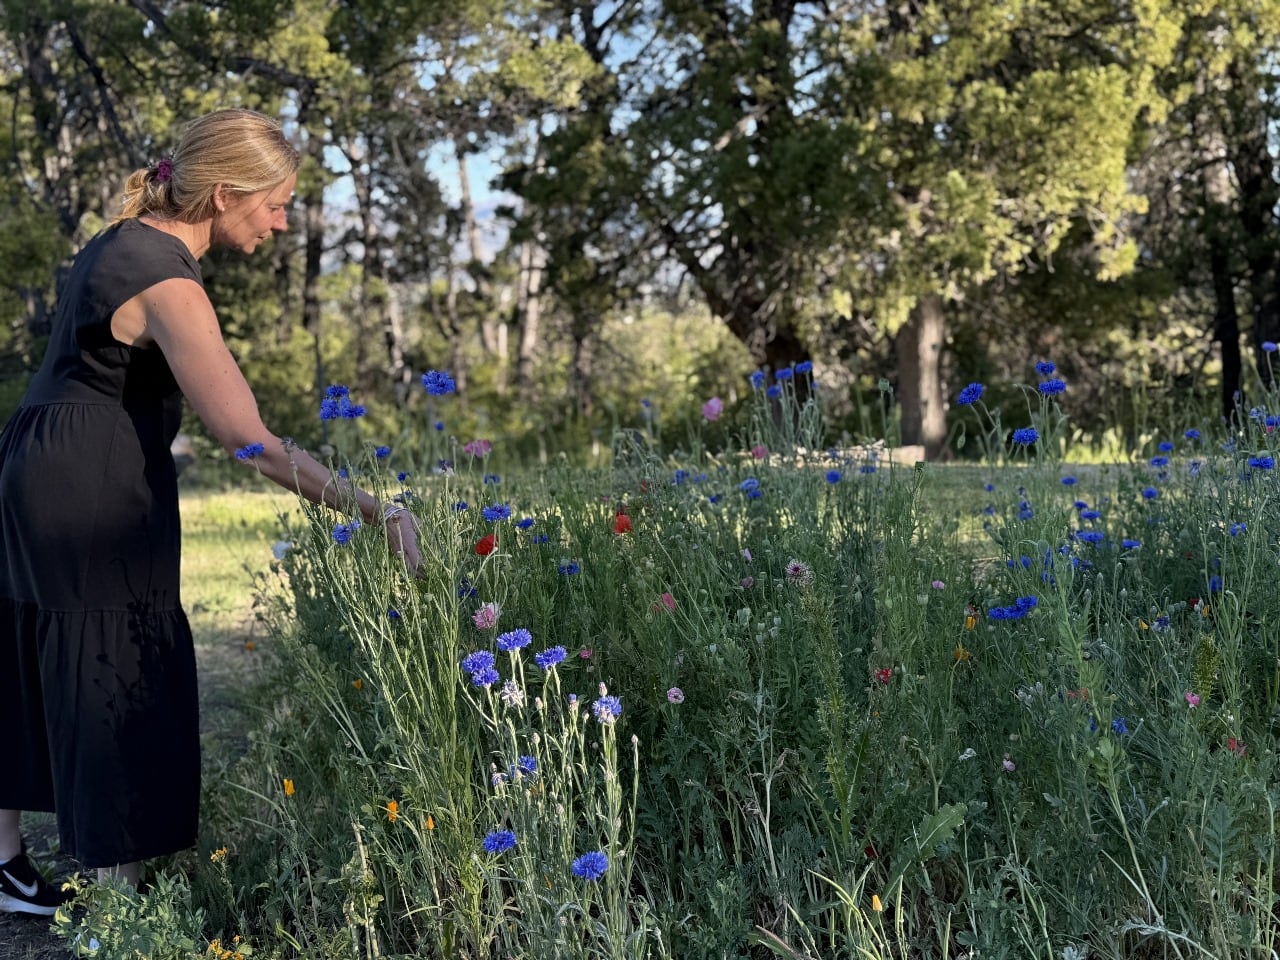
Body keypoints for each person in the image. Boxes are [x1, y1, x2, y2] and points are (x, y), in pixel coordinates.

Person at [0, 108, 421, 913]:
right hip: (90, 485)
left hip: (31, 462)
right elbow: (249, 442)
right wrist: (381, 512)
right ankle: (119, 903)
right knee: (112, 660)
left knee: (26, 642)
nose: (282, 220)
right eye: (274, 202)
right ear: (224, 193)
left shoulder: (115, 241)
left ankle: (7, 866)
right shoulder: (165, 277)